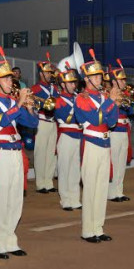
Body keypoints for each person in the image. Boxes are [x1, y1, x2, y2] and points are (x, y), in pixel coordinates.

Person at [0, 52, 37, 258]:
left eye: (11, 78)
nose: (10, 81)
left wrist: (29, 109)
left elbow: (32, 124)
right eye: (6, 78)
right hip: (1, 153)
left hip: (16, 153)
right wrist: (19, 104)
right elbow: (1, 121)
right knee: (1, 198)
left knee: (15, 197)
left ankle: (11, 239)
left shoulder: (13, 101)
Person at [73, 51, 121, 243]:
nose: (99, 78)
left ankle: (98, 227)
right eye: (95, 76)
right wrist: (110, 101)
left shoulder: (103, 97)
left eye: (100, 75)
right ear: (86, 79)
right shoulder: (81, 98)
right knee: (91, 187)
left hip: (105, 142)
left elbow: (112, 122)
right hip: (92, 143)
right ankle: (88, 230)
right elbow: (95, 118)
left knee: (101, 188)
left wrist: (112, 103)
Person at [55, 64, 82, 211]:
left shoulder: (77, 98)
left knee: (75, 169)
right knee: (64, 169)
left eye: (74, 82)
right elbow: (66, 117)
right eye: (71, 83)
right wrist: (78, 103)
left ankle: (75, 198)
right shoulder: (58, 100)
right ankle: (65, 199)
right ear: (63, 84)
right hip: (66, 135)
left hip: (78, 135)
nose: (73, 85)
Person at [30, 56, 58, 194]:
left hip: (53, 122)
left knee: (51, 153)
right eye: (47, 73)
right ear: (41, 74)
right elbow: (31, 105)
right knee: (40, 152)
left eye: (50, 73)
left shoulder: (55, 88)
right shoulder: (35, 88)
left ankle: (49, 181)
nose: (49, 75)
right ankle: (40, 183)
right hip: (41, 121)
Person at [108, 60, 134, 202]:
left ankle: (119, 190)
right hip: (114, 130)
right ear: (114, 81)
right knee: (113, 161)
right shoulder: (108, 95)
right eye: (121, 79)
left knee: (121, 162)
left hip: (124, 130)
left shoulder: (125, 94)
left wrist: (128, 101)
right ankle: (111, 192)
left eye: (124, 79)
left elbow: (131, 111)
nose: (124, 82)